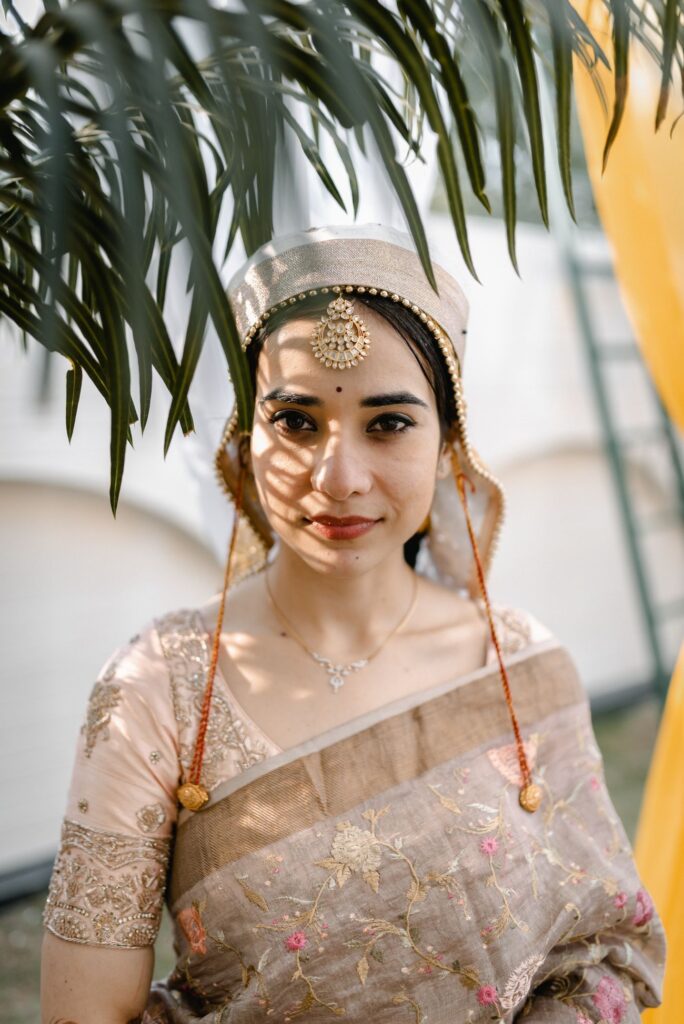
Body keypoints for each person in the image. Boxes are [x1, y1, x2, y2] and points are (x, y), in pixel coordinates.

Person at [41, 224, 665, 1023]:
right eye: (297, 422)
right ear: (247, 434)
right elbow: (82, 1014)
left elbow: (604, 956)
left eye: (388, 423)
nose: (337, 478)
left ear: (449, 444)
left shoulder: (518, 666)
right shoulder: (158, 693)